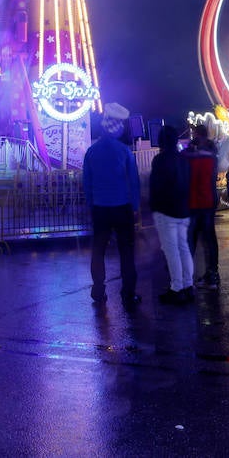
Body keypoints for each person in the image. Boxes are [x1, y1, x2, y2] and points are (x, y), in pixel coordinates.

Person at [82, 102, 140, 308]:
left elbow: (86, 182)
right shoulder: (124, 151)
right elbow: (133, 181)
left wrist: (91, 204)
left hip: (100, 208)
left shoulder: (91, 152)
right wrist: (135, 206)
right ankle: (129, 292)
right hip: (122, 207)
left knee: (98, 249)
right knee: (126, 251)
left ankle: (98, 290)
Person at [148, 125, 194, 304]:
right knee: (183, 247)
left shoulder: (160, 159)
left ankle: (177, 288)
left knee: (171, 249)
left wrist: (153, 205)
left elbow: (156, 185)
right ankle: (188, 285)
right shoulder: (183, 160)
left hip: (166, 210)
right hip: (183, 209)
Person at [184, 124, 219, 289]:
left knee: (191, 240)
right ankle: (212, 275)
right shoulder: (213, 157)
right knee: (209, 239)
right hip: (208, 201)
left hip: (192, 202)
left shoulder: (189, 157)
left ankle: (187, 277)